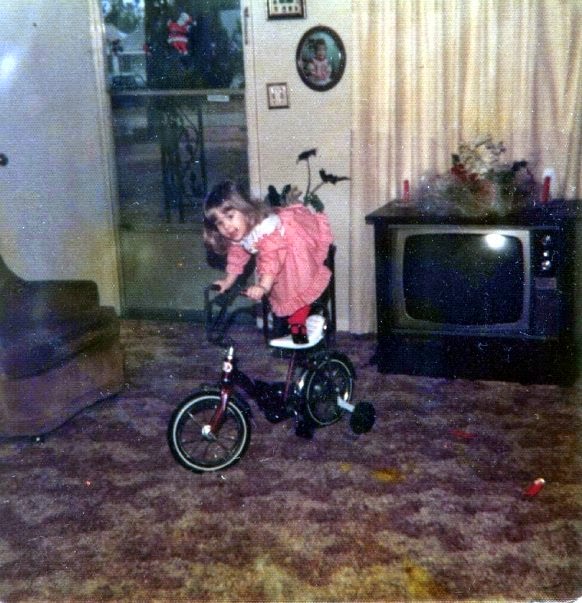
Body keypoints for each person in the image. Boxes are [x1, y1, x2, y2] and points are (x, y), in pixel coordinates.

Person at [203, 181, 333, 344]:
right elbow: (237, 256)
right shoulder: (239, 233)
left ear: (245, 210)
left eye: (230, 217)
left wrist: (263, 287)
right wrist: (228, 281)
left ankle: (307, 326)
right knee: (286, 300)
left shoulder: (265, 229)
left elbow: (270, 260)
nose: (227, 226)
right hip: (277, 263)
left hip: (293, 257)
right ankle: (300, 334)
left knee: (298, 293)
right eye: (220, 223)